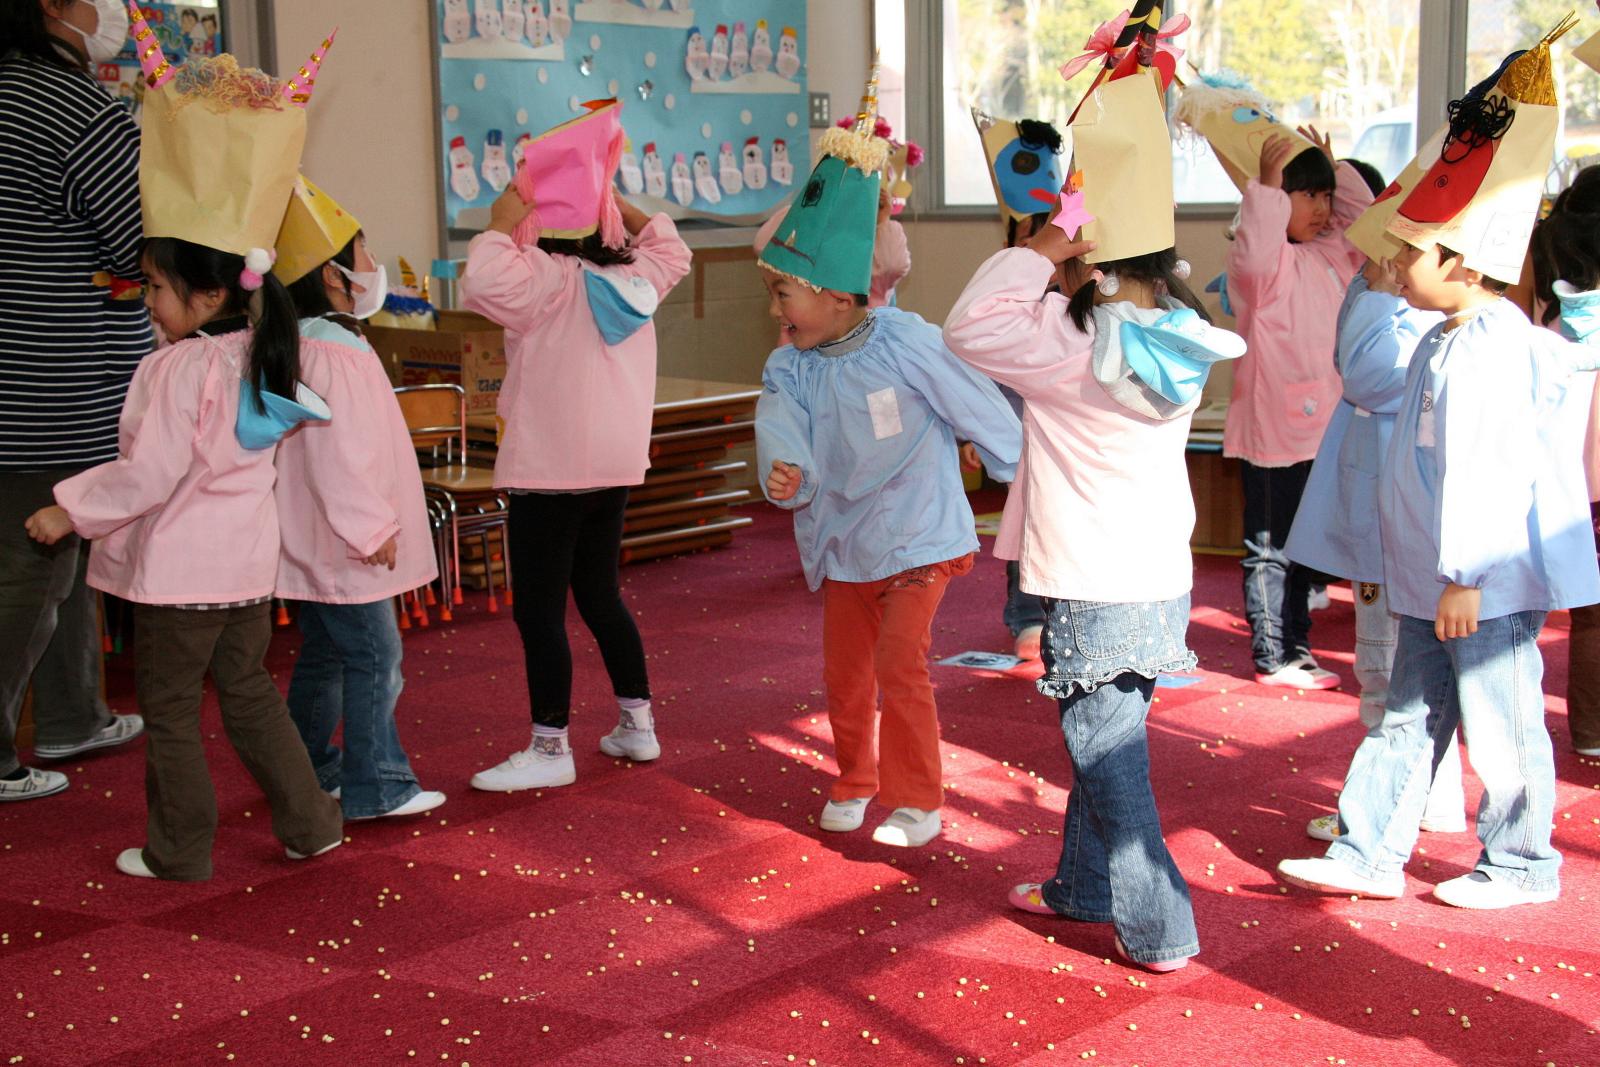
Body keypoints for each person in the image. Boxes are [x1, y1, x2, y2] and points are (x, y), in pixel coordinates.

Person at [945, 19, 1242, 969]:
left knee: (1107, 754)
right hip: (1157, 576)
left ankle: (1162, 925)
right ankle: (1080, 885)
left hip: (1095, 578)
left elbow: (966, 325)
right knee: (1102, 734)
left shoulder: (1070, 337)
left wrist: (1039, 242)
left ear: (1087, 247)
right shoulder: (1174, 326)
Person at [1278, 33, 1597, 909]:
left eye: (1411, 252)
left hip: (1475, 582)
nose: (1396, 263)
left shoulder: (1491, 348)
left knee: (1501, 725)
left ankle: (1524, 862)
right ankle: (1370, 846)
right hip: (1433, 576)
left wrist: (1466, 572)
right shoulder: (1446, 336)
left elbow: (1489, 471)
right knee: (1408, 719)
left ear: (1461, 260)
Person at [22, 20, 347, 881]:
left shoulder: (177, 370)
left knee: (168, 712)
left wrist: (70, 505)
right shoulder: (257, 349)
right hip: (243, 574)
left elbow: (152, 472)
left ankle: (179, 848)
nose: (149, 303)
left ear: (206, 295)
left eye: (157, 288)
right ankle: (311, 820)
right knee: (247, 697)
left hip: (178, 582)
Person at [756, 73, 1021, 850]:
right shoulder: (794, 364)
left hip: (917, 533)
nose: (777, 311)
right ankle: (855, 777)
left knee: (901, 660)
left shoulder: (907, 343)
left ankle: (916, 799)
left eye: (785, 295)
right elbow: (780, 420)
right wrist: (786, 468)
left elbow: (976, 402)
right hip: (846, 540)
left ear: (839, 294)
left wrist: (1021, 473)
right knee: (846, 673)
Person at [461, 101, 692, 792]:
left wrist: (505, 214)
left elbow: (480, 276)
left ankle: (549, 744)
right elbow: (673, 246)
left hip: (549, 470)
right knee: (599, 593)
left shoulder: (542, 281)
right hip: (612, 467)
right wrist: (609, 193)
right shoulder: (635, 276)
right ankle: (637, 722)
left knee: (538, 608)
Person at [0, 0, 150, 802]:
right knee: (37, 568)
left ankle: (72, 713)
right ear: (54, 7)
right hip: (54, 380)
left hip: (24, 376)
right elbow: (137, 241)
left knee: (55, 559)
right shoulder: (79, 108)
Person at [274, 177, 445, 821]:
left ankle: (306, 768)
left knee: (325, 656)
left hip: (315, 540)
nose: (373, 268)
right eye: (365, 255)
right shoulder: (332, 351)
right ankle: (377, 785)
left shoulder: (305, 342)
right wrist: (371, 528)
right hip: (348, 544)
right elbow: (337, 456)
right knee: (377, 659)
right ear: (331, 275)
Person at [1284, 257, 1465, 842]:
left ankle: (1388, 807)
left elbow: (1365, 374)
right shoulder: (1409, 312)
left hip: (1398, 531)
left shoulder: (1431, 325)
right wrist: (1373, 288)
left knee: (1390, 671)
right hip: (1387, 525)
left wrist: (1382, 291)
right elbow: (1348, 357)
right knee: (1392, 668)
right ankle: (1423, 800)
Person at [1223, 128, 1374, 688]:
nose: (1323, 208)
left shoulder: (1334, 255)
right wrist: (1264, 187)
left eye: (1326, 196)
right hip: (1273, 434)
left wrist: (1334, 167)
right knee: (1271, 549)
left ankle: (1296, 644)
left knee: (1305, 546)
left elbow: (1369, 222)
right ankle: (1274, 654)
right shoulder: (1260, 269)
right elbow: (1257, 246)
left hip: (1324, 431)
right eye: (1308, 195)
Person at [971, 114, 1066, 660]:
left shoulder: (1073, 290)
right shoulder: (1000, 287)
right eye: (1028, 232)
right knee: (1024, 516)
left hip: (1061, 424)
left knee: (1060, 519)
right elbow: (976, 359)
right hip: (1013, 427)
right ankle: (1027, 613)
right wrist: (973, 428)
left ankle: (1061, 609)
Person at [1529, 166, 1600, 759]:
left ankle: (1591, 731)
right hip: (1585, 483)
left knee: (1592, 614)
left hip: (1575, 484)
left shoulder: (1557, 316)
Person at [754, 183, 909, 310]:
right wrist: (808, 202)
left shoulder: (874, 261)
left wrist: (883, 220)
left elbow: (892, 265)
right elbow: (764, 246)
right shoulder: (812, 248)